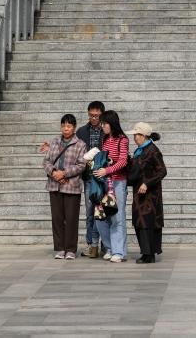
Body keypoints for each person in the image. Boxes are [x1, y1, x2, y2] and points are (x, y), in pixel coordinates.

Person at [42, 113, 87, 260]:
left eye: (69, 126)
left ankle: (71, 249)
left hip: (71, 186)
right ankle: (60, 248)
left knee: (71, 218)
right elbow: (46, 161)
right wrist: (54, 173)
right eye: (63, 125)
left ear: (74, 128)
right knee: (57, 218)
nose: (65, 128)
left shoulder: (80, 144)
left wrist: (64, 174)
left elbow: (81, 165)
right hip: (54, 185)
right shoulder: (54, 142)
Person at [92, 109, 130, 262]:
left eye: (105, 123)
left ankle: (119, 252)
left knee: (117, 217)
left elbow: (123, 161)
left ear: (112, 123)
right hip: (104, 183)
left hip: (118, 182)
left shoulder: (123, 140)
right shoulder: (105, 140)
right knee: (101, 216)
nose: (103, 126)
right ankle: (110, 247)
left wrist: (107, 170)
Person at [127, 121, 167, 263]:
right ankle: (146, 252)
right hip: (139, 194)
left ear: (143, 135)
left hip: (150, 195)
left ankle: (149, 254)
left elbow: (162, 171)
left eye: (136, 135)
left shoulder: (153, 150)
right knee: (139, 223)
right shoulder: (140, 151)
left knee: (147, 223)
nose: (134, 137)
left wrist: (147, 183)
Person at [76, 100, 105, 257]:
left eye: (97, 115)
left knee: (104, 211)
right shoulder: (81, 131)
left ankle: (105, 245)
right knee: (89, 212)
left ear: (102, 115)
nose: (94, 118)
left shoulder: (106, 130)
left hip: (104, 177)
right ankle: (90, 245)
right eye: (91, 115)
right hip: (88, 177)